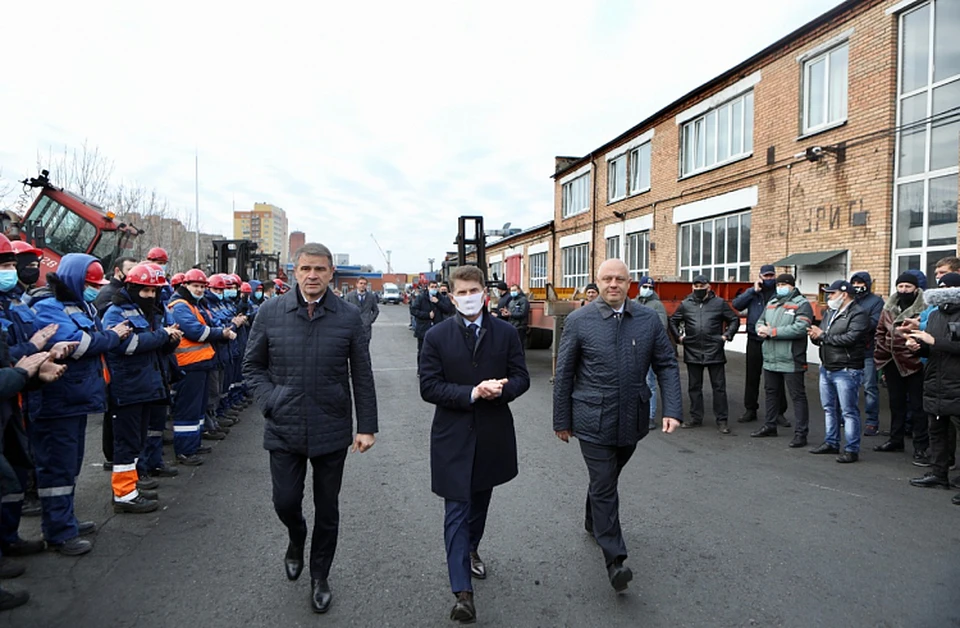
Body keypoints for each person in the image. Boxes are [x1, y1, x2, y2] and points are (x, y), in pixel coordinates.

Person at [243, 242, 377, 615]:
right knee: (285, 502)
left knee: (328, 508)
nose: (313, 276)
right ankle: (295, 535)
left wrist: (366, 426)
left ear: (331, 273)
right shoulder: (270, 312)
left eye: (320, 269)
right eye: (306, 269)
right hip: (283, 427)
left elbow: (362, 374)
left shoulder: (349, 316)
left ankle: (320, 575)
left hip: (331, 428)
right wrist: (272, 400)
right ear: (295, 273)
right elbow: (252, 367)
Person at [553, 259, 682, 594]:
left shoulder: (647, 320)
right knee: (605, 482)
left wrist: (673, 409)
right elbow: (564, 373)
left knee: (606, 478)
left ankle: (592, 519)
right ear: (596, 282)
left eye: (620, 279)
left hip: (632, 418)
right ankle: (615, 560)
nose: (613, 284)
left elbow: (666, 364)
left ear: (629, 284)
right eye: (607, 279)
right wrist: (561, 420)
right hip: (592, 418)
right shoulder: (580, 321)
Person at [419, 265, 530, 624]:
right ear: (452, 297)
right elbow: (429, 387)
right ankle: (462, 593)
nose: (469, 297)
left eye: (474, 290)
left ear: (486, 292)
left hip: (492, 433)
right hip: (452, 437)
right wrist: (472, 392)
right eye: (462, 292)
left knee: (479, 504)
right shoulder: (436, 337)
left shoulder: (506, 333)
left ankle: (471, 548)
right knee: (456, 510)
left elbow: (522, 377)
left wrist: (503, 389)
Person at [30, 254, 132, 556]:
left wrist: (102, 337)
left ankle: (66, 520)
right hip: (57, 400)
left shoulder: (81, 304)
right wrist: (110, 337)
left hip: (77, 398)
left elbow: (92, 338)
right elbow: (80, 345)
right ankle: (59, 531)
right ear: (73, 279)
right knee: (56, 467)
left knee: (70, 464)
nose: (92, 289)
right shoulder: (47, 306)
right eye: (88, 283)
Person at [102, 264, 183, 513]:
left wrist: (169, 341)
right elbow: (127, 345)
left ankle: (131, 485)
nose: (150, 296)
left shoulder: (149, 312)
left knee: (136, 440)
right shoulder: (115, 313)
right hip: (127, 387)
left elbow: (153, 347)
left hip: (146, 384)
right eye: (146, 291)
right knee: (126, 443)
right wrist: (162, 336)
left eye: (154, 291)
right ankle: (124, 495)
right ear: (132, 288)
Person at [0, 340, 65, 612]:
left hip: (7, 417)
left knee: (12, 481)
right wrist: (21, 372)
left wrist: (34, 377)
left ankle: (7, 542)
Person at [167, 269, 233, 466]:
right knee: (188, 410)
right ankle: (185, 451)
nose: (199, 289)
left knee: (197, 408)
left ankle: (193, 445)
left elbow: (207, 327)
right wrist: (220, 333)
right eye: (195, 286)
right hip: (189, 364)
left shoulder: (193, 305)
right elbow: (196, 331)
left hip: (201, 363)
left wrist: (216, 331)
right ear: (185, 286)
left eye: (202, 286)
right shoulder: (180, 306)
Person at [906, 272, 960, 503]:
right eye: (939, 286)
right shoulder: (936, 315)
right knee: (937, 432)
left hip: (956, 383)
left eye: (947, 287)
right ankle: (939, 474)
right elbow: (932, 349)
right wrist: (917, 347)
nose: (941, 290)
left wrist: (933, 342)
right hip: (936, 382)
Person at [669, 274, 739, 433]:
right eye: (696, 286)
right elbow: (673, 320)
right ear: (692, 287)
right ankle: (695, 418)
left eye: (702, 286)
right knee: (694, 387)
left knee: (719, 388)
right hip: (692, 349)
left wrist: (726, 336)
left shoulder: (719, 303)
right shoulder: (686, 304)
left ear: (709, 287)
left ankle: (722, 420)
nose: (699, 289)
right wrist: (679, 338)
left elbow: (734, 319)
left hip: (714, 350)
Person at [807, 281, 869, 463]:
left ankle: (851, 449)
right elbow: (825, 336)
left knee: (849, 411)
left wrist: (823, 336)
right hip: (827, 366)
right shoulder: (831, 313)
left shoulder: (858, 313)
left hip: (846, 368)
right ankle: (831, 442)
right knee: (829, 408)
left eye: (832, 294)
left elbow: (851, 338)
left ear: (844, 294)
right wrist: (815, 337)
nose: (829, 297)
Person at [750, 274, 813, 447]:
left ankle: (801, 433)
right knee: (771, 393)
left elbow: (801, 328)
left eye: (784, 284)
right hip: (770, 357)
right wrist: (761, 330)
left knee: (797, 396)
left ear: (792, 286)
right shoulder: (772, 302)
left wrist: (773, 332)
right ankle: (770, 425)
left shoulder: (802, 304)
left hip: (791, 359)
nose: (781, 287)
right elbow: (759, 322)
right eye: (779, 284)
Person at [873, 272, 929, 465]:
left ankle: (921, 446)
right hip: (891, 362)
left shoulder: (925, 307)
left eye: (908, 287)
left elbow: (927, 332)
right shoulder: (888, 307)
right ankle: (895, 440)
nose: (903, 290)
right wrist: (882, 351)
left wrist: (917, 351)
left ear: (916, 288)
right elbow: (880, 331)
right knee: (896, 404)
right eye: (901, 286)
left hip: (914, 362)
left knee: (918, 406)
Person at [732, 264, 788, 425]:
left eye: (771, 276)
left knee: (776, 376)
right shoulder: (753, 293)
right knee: (752, 376)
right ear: (760, 277)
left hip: (773, 340)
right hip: (754, 339)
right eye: (766, 276)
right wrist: (752, 291)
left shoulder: (779, 294)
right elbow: (737, 305)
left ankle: (779, 412)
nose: (769, 279)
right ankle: (750, 409)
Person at [850, 271, 885, 436]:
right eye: (854, 284)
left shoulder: (876, 301)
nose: (857, 287)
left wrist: (854, 324)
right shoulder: (849, 300)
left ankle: (872, 421)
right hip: (850, 349)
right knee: (849, 386)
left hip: (868, 350)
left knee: (870, 387)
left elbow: (874, 323)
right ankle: (849, 417)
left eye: (860, 283)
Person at [636, 276, 668, 430]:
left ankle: (650, 416)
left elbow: (661, 326)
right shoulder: (632, 304)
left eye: (650, 286)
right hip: (632, 349)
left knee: (650, 383)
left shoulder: (657, 305)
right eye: (645, 286)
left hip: (648, 349)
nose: (647, 289)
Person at [412, 280, 454, 374]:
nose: (434, 289)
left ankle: (438, 369)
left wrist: (438, 302)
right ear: (428, 287)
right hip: (423, 328)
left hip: (437, 327)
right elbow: (414, 310)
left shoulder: (441, 298)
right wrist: (426, 315)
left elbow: (448, 309)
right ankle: (421, 370)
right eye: (432, 287)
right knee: (422, 350)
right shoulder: (421, 298)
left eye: (435, 287)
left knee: (438, 351)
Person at [344, 277, 380, 344]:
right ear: (357, 284)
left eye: (365, 284)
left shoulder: (371, 297)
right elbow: (344, 310)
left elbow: (376, 310)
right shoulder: (349, 296)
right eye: (361, 283)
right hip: (352, 328)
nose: (363, 285)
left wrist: (370, 320)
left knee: (365, 351)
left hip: (365, 329)